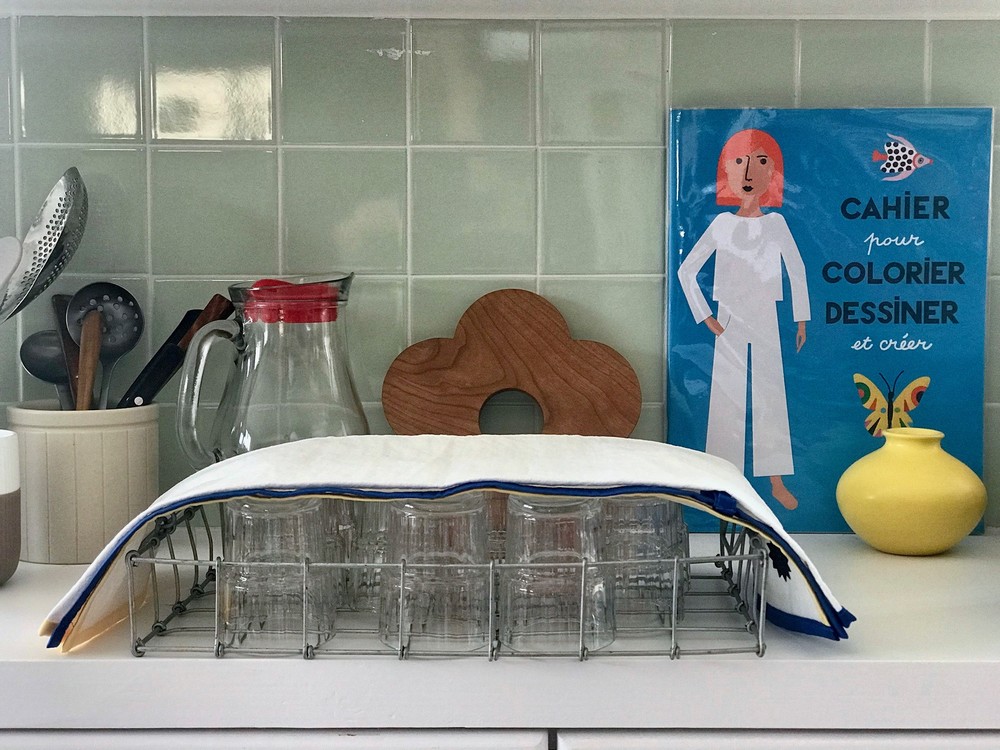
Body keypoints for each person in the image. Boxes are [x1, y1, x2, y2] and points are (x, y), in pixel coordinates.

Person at [676, 128, 810, 510]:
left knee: (770, 392)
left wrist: (801, 319)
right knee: (726, 395)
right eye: (740, 162)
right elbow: (687, 271)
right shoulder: (721, 225)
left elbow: (796, 269)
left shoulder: (776, 224)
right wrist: (706, 316)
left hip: (765, 313)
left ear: (772, 174)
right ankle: (720, 481)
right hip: (729, 316)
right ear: (727, 172)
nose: (749, 171)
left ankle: (776, 480)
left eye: (760, 162)